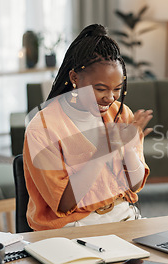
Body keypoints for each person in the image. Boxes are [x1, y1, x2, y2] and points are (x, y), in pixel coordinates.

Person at [23, 24, 153, 231]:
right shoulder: (43, 128)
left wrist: (129, 149)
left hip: (123, 218)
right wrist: (102, 152)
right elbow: (65, 204)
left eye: (117, 89)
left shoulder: (121, 114)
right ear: (74, 78)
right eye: (100, 89)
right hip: (73, 227)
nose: (109, 98)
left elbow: (135, 185)